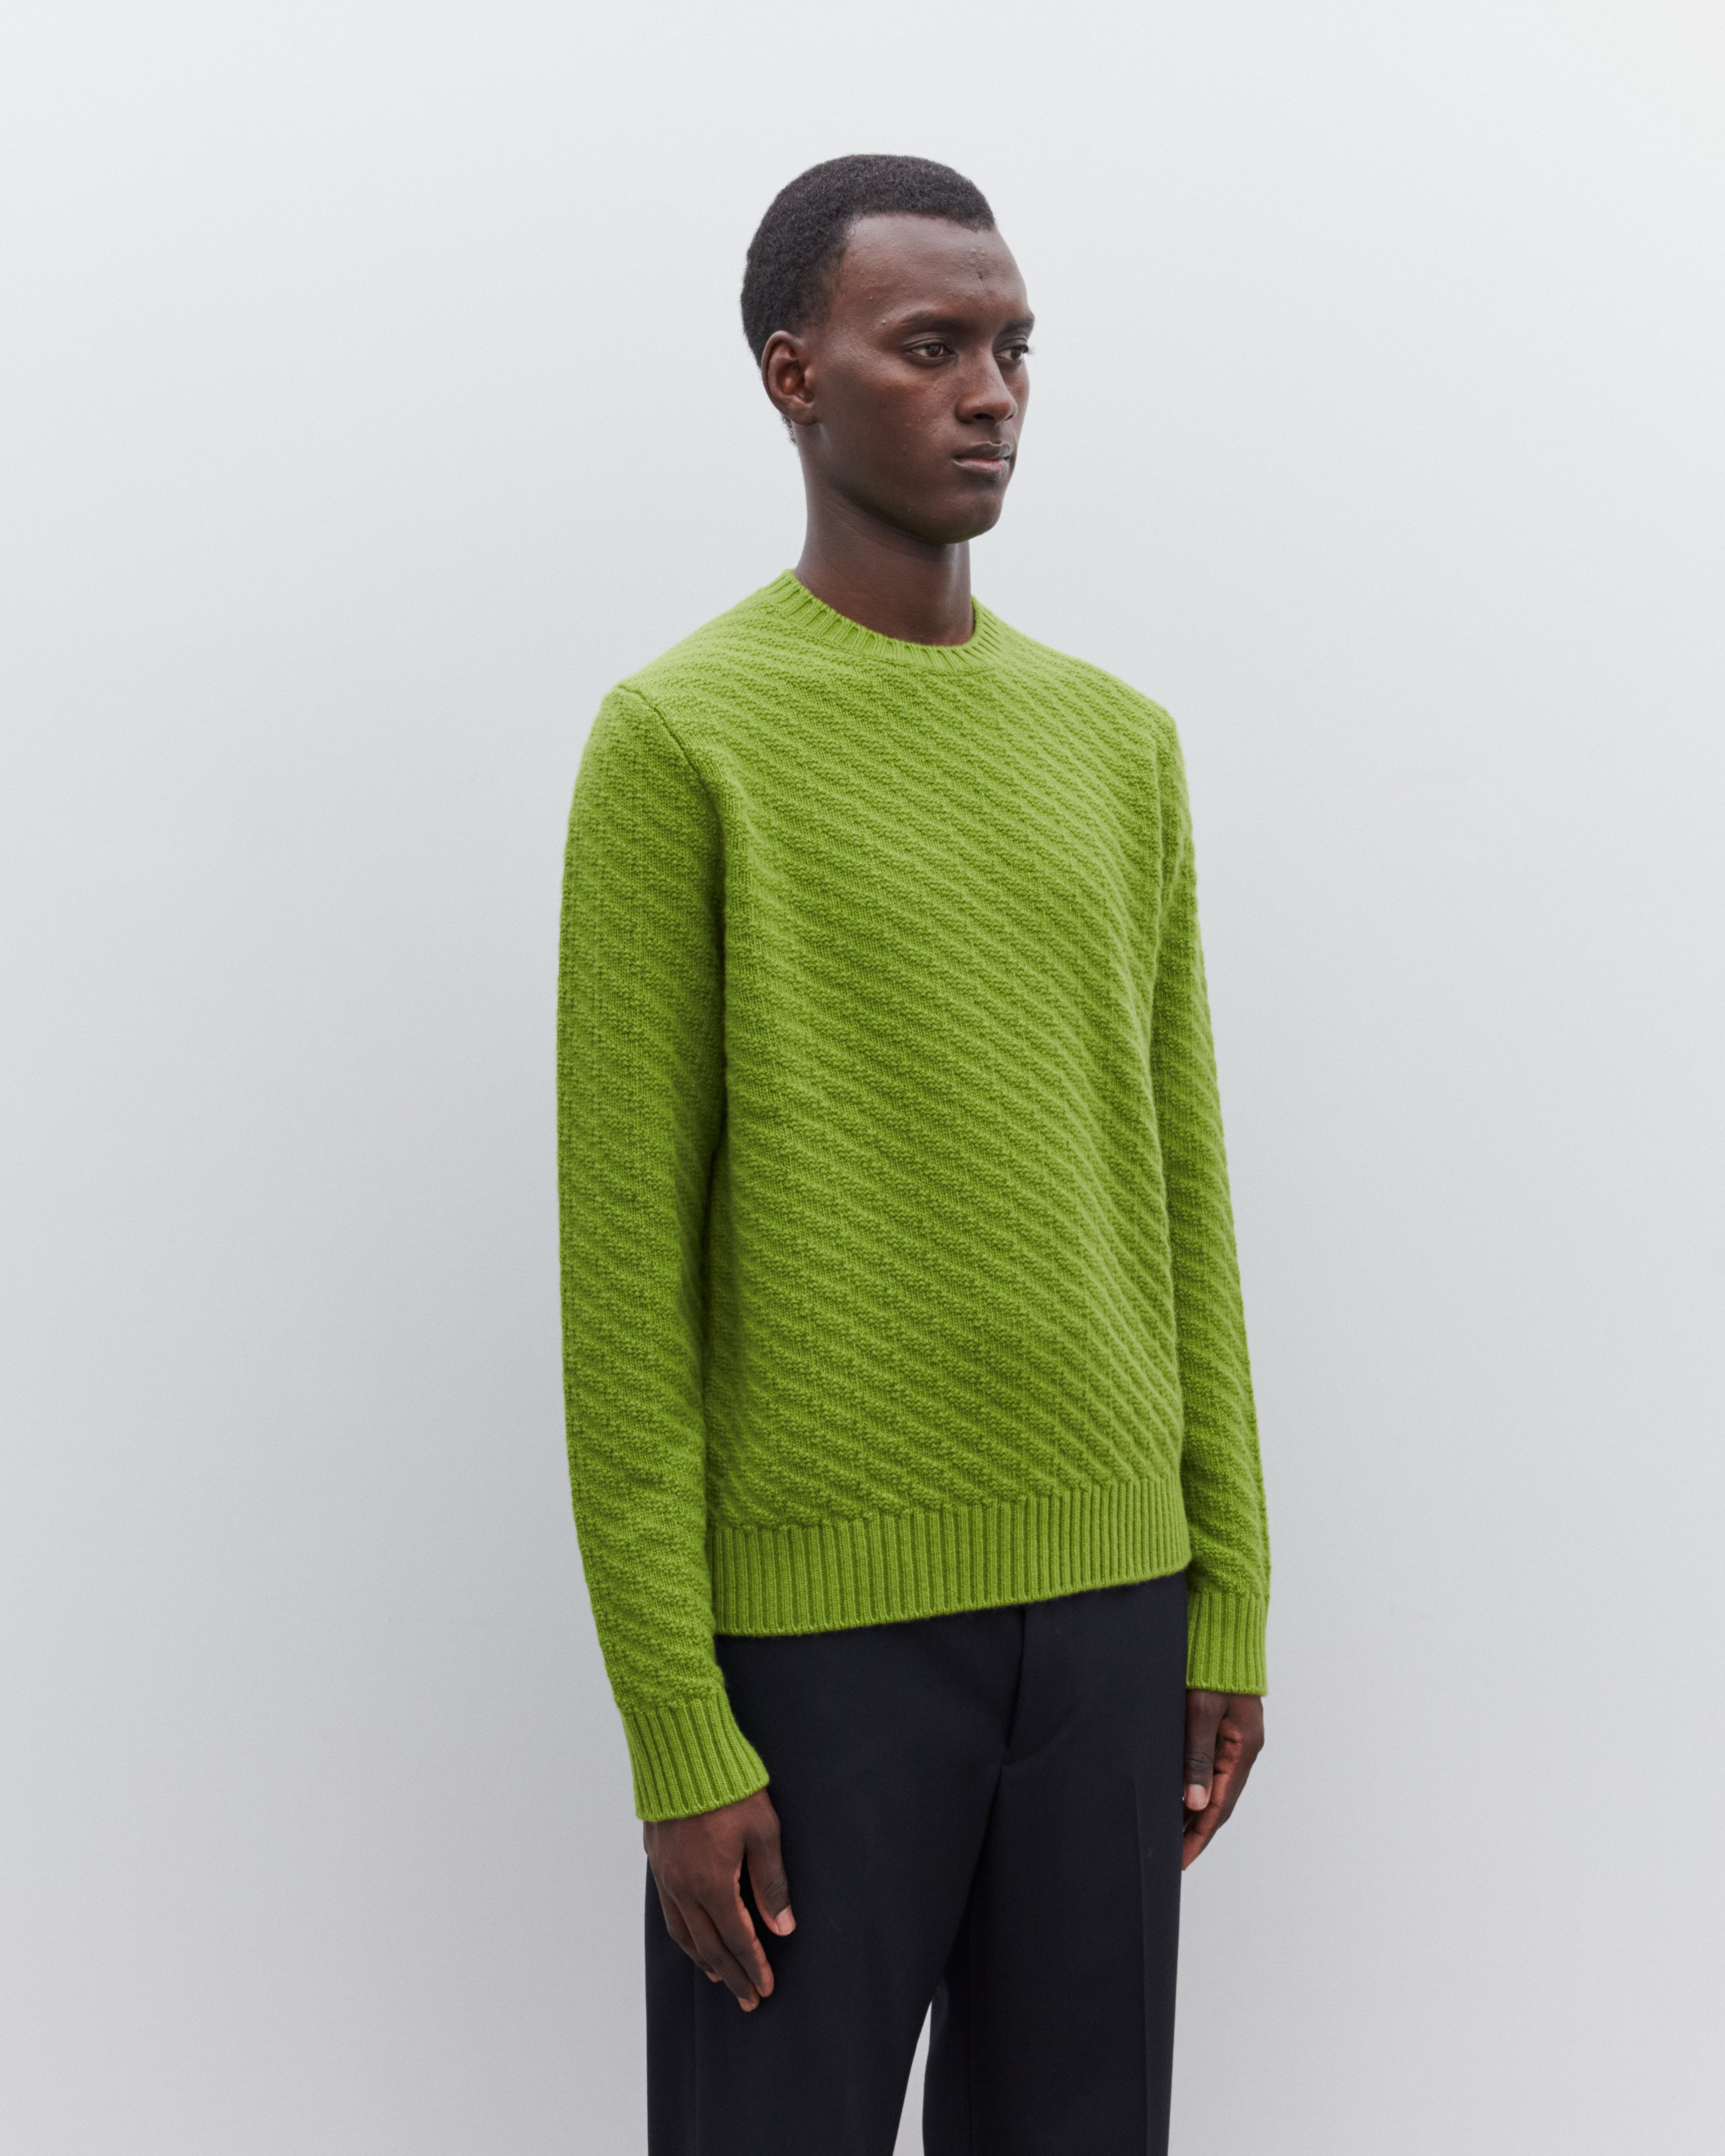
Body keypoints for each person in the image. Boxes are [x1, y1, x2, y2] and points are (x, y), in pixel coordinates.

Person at [557, 153, 1270, 2156]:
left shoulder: (1117, 745)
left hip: (1115, 1613)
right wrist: (677, 1728)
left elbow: (1181, 1191)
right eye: (931, 346)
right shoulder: (680, 740)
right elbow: (625, 1283)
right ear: (794, 375)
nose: (990, 395)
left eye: (1014, 350)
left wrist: (1225, 1596)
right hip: (817, 1658)